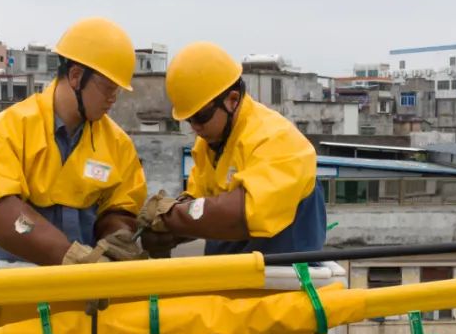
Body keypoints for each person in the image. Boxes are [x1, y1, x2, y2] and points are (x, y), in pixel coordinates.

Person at [0, 17, 147, 265]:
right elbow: (1, 215)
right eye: (108, 88)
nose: (113, 99)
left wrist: (115, 237)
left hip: (87, 289)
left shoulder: (118, 145)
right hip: (19, 284)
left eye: (118, 91)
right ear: (75, 76)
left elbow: (120, 208)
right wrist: (67, 256)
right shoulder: (8, 130)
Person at [138, 41, 325, 256]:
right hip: (232, 276)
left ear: (232, 100)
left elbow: (243, 214)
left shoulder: (277, 140)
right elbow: (200, 208)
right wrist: (162, 230)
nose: (196, 127)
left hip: (282, 278)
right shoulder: (210, 144)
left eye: (201, 116)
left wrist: (171, 216)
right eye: (189, 119)